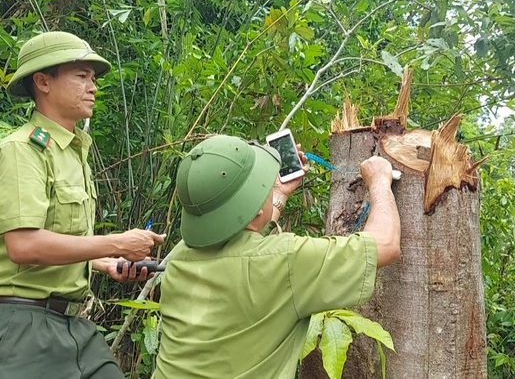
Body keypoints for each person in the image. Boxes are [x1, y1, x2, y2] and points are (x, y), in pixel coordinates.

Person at [0, 31, 165, 379]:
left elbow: (59, 236)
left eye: (93, 78)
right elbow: (24, 245)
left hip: (73, 327)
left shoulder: (74, 152)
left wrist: (105, 262)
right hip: (20, 333)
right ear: (43, 81)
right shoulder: (22, 150)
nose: (93, 87)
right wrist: (117, 242)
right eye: (81, 75)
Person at [153, 135, 401, 378]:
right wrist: (379, 180)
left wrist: (278, 195)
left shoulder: (178, 258)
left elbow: (245, 239)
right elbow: (385, 244)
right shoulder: (286, 262)